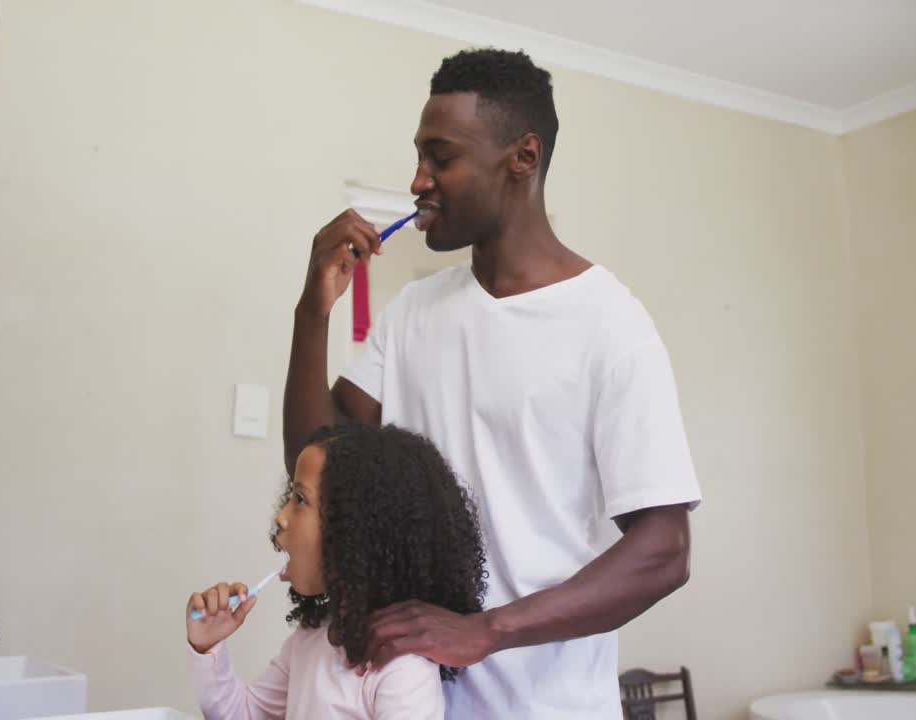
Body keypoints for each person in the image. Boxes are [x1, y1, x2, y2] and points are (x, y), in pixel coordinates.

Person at [283, 47, 702, 718]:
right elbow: (316, 469)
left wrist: (486, 630)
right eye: (418, 157)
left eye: (440, 157)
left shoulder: (610, 325)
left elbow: (664, 551)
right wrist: (313, 313)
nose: (418, 181)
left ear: (523, 158)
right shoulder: (412, 314)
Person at [186, 424, 487, 719]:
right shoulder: (311, 638)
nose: (281, 517)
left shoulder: (402, 665)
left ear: (355, 534)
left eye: (300, 500)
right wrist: (209, 646)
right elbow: (247, 714)